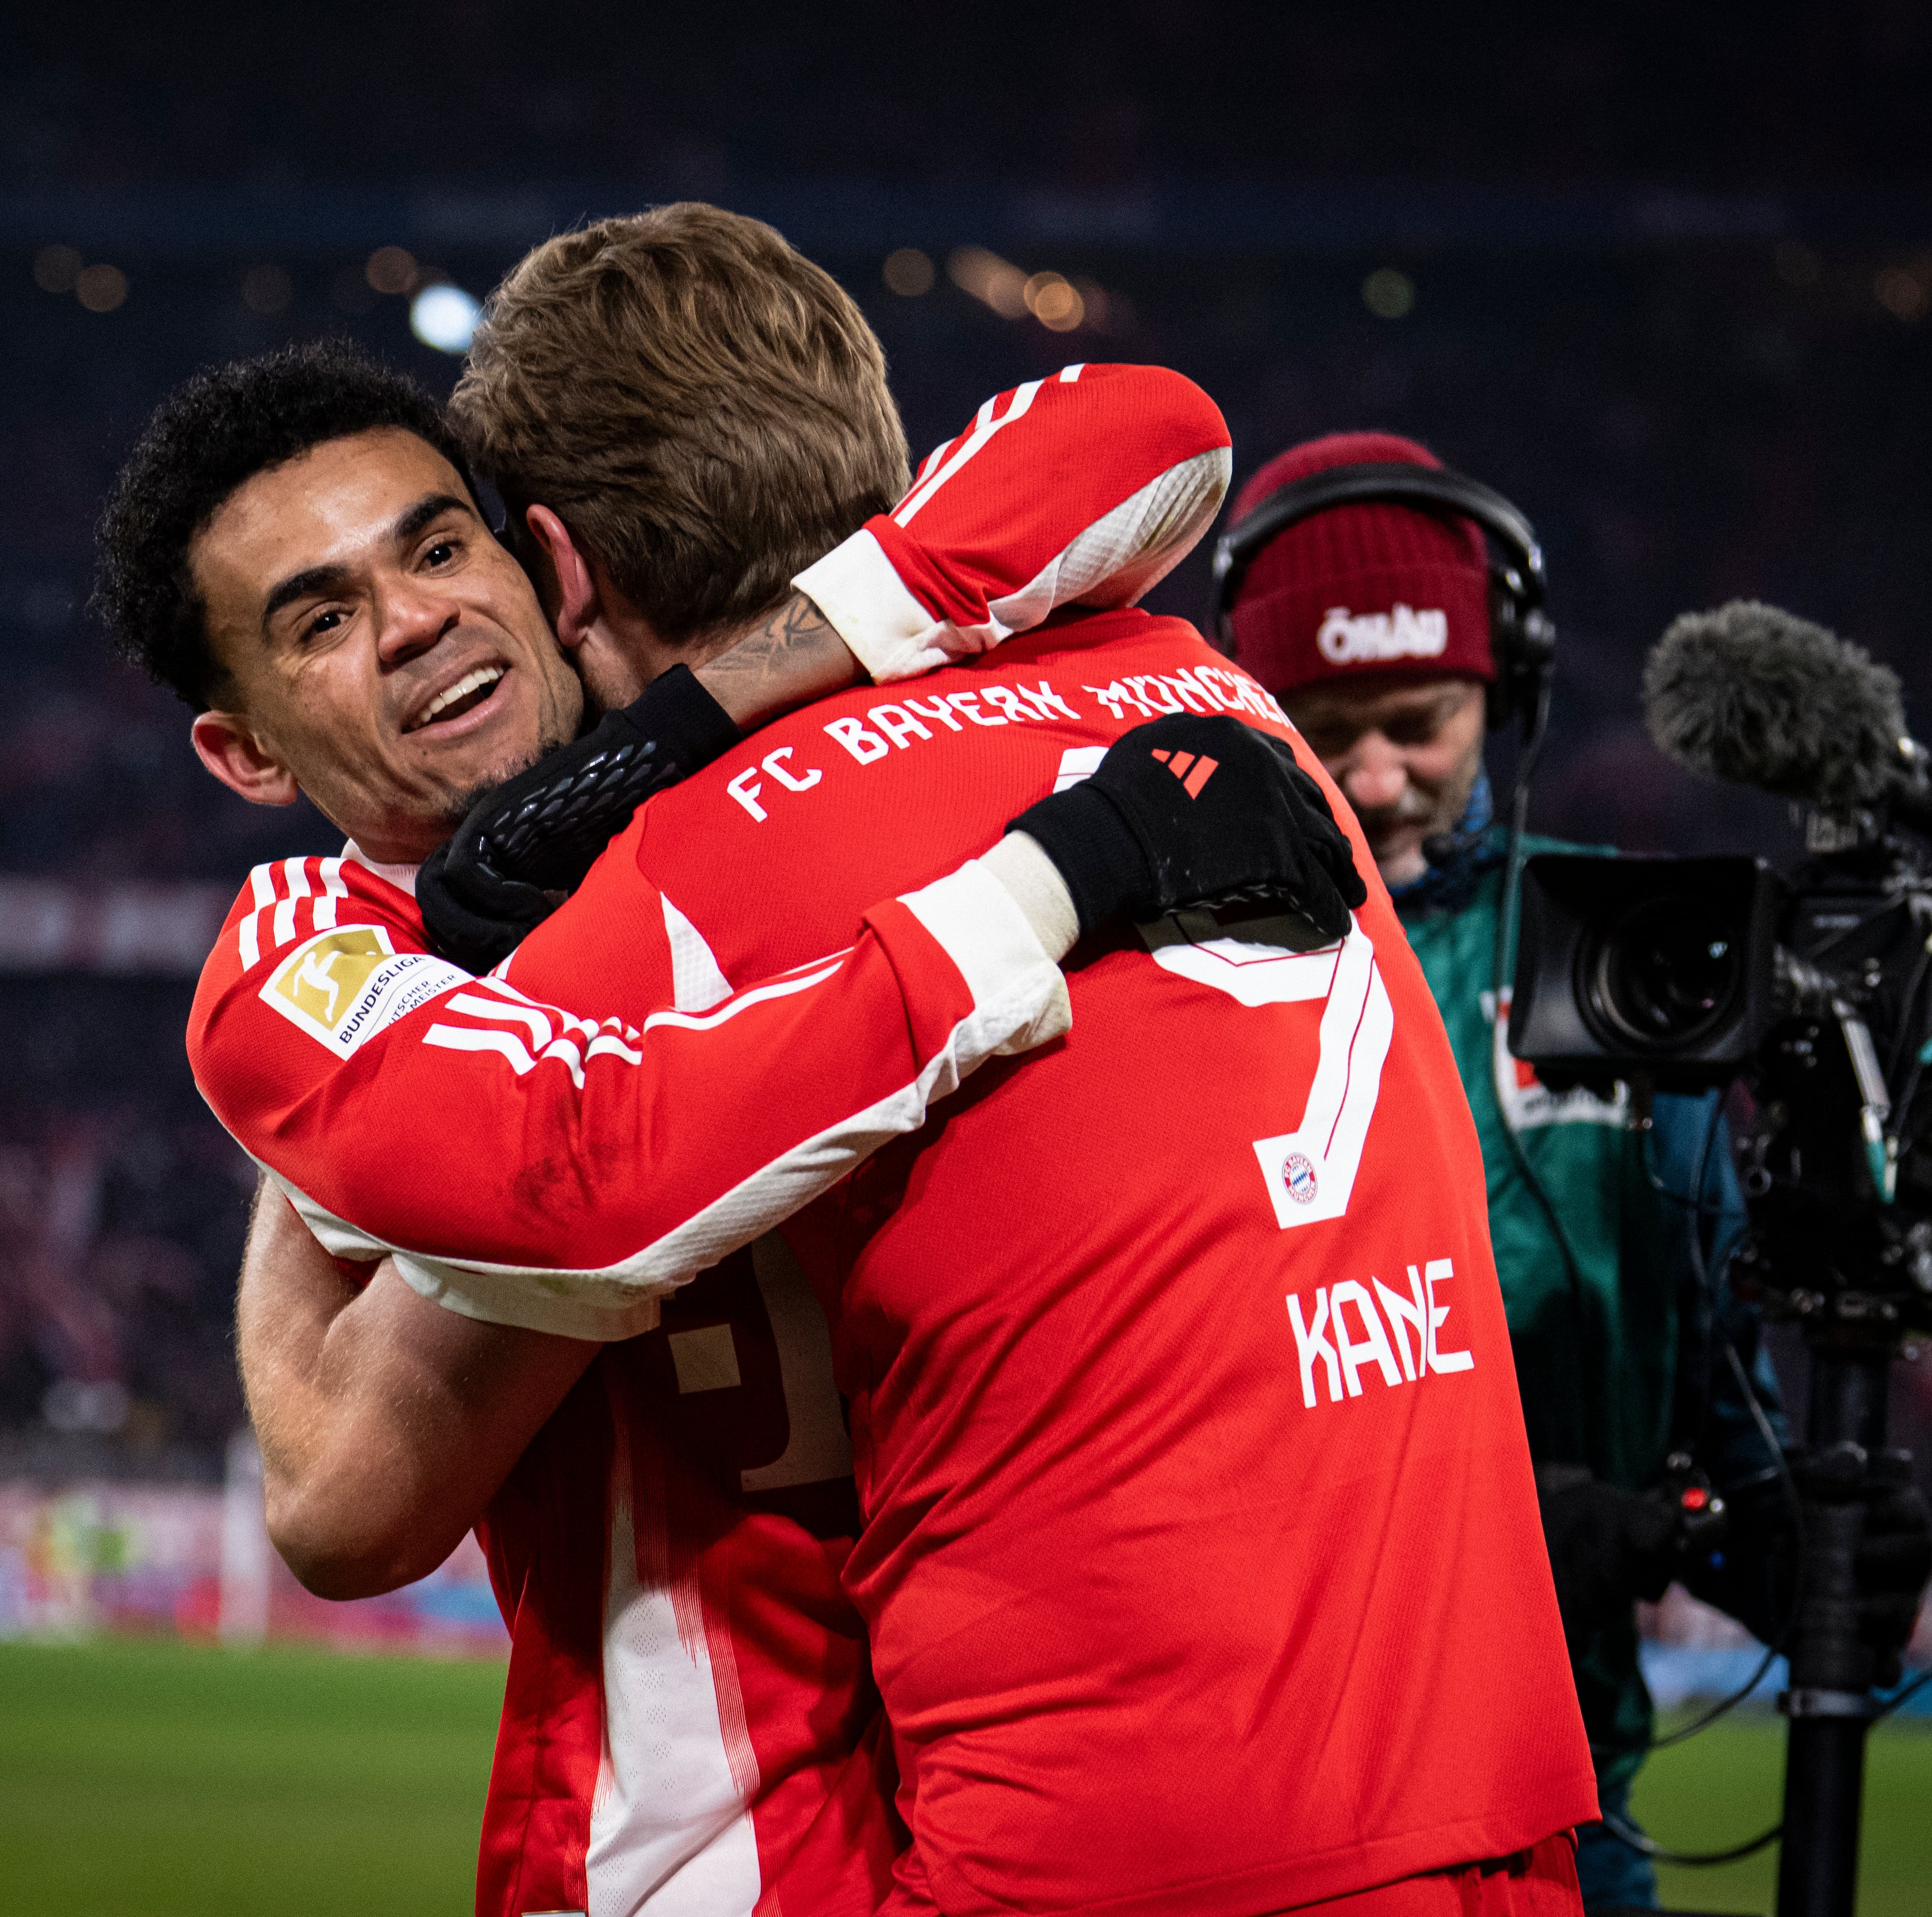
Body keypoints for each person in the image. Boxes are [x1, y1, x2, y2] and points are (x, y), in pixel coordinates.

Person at [190, 204, 1595, 1916]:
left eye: (435, 551)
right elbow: (1151, 423)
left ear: (549, 569)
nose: (411, 626)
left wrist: (672, 768)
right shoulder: (1196, 687)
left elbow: (375, 1456)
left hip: (1039, 1839)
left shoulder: (653, 908)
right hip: (1481, 1788)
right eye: (319, 620)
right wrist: (1049, 877)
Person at [1214, 430, 1932, 1911]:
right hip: (1263, 1795)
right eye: (1320, 725)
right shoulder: (1175, 971)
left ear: (1508, 692)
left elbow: (1708, 1361)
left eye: (1418, 721)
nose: (1375, 777)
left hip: (1567, 1792)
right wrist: (1503, 1519)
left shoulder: (1623, 968)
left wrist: (1795, 1550)